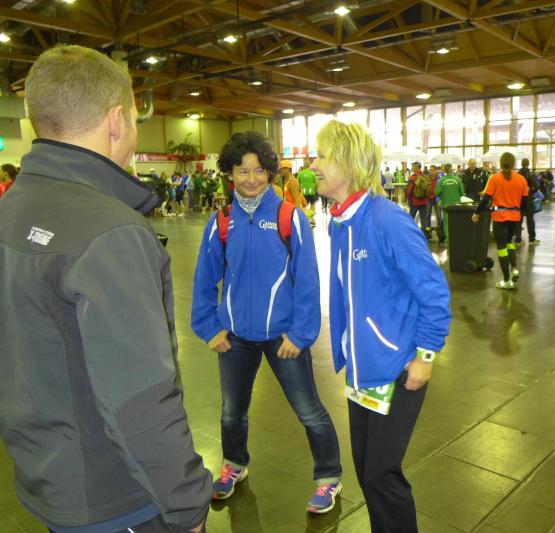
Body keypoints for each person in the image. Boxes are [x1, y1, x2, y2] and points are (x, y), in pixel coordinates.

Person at [0, 45, 210, 533]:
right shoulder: (110, 232)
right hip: (120, 498)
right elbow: (141, 398)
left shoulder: (10, 210)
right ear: (117, 121)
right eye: (135, 119)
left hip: (47, 477)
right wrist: (186, 504)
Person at [191, 131, 342, 512]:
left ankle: (328, 477)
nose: (251, 179)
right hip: (235, 337)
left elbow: (308, 280)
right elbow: (204, 278)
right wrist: (209, 328)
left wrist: (301, 334)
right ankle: (234, 464)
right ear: (230, 173)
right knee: (231, 412)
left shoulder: (289, 217)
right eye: (242, 171)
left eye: (259, 170)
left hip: (283, 337)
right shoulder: (222, 221)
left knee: (309, 411)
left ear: (270, 173)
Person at [312, 120, 451, 533]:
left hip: (397, 369)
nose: (313, 165)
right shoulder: (341, 223)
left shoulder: (388, 220)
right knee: (367, 471)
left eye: (322, 156)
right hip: (361, 370)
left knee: (381, 475)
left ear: (348, 163)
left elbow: (434, 292)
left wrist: (425, 356)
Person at [472, 152, 529, 289]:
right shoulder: (521, 179)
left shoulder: (495, 178)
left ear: (501, 163)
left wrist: (477, 213)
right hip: (515, 217)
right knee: (510, 243)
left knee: (502, 247)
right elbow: (526, 201)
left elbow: (485, 199)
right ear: (513, 163)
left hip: (500, 217)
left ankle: (506, 279)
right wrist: (521, 214)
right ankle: (514, 268)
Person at [435, 162, 465, 242]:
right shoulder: (457, 180)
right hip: (456, 204)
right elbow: (462, 192)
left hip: (446, 204)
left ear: (444, 170)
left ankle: (448, 238)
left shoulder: (441, 180)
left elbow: (437, 193)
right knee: (456, 220)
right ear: (451, 169)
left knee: (447, 222)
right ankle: (456, 237)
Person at [515, 158, 540, 245]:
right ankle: (532, 239)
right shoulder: (530, 174)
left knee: (519, 219)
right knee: (530, 219)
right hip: (528, 198)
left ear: (521, 164)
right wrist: (531, 191)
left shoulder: (517, 174)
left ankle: (518, 240)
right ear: (528, 164)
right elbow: (537, 186)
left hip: (519, 199)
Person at [407, 161, 430, 235]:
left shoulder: (413, 177)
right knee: (423, 219)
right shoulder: (425, 177)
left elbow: (409, 191)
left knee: (410, 219)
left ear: (416, 167)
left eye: (413, 166)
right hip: (424, 201)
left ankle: (410, 234)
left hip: (414, 202)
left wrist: (408, 198)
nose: (412, 167)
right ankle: (424, 234)